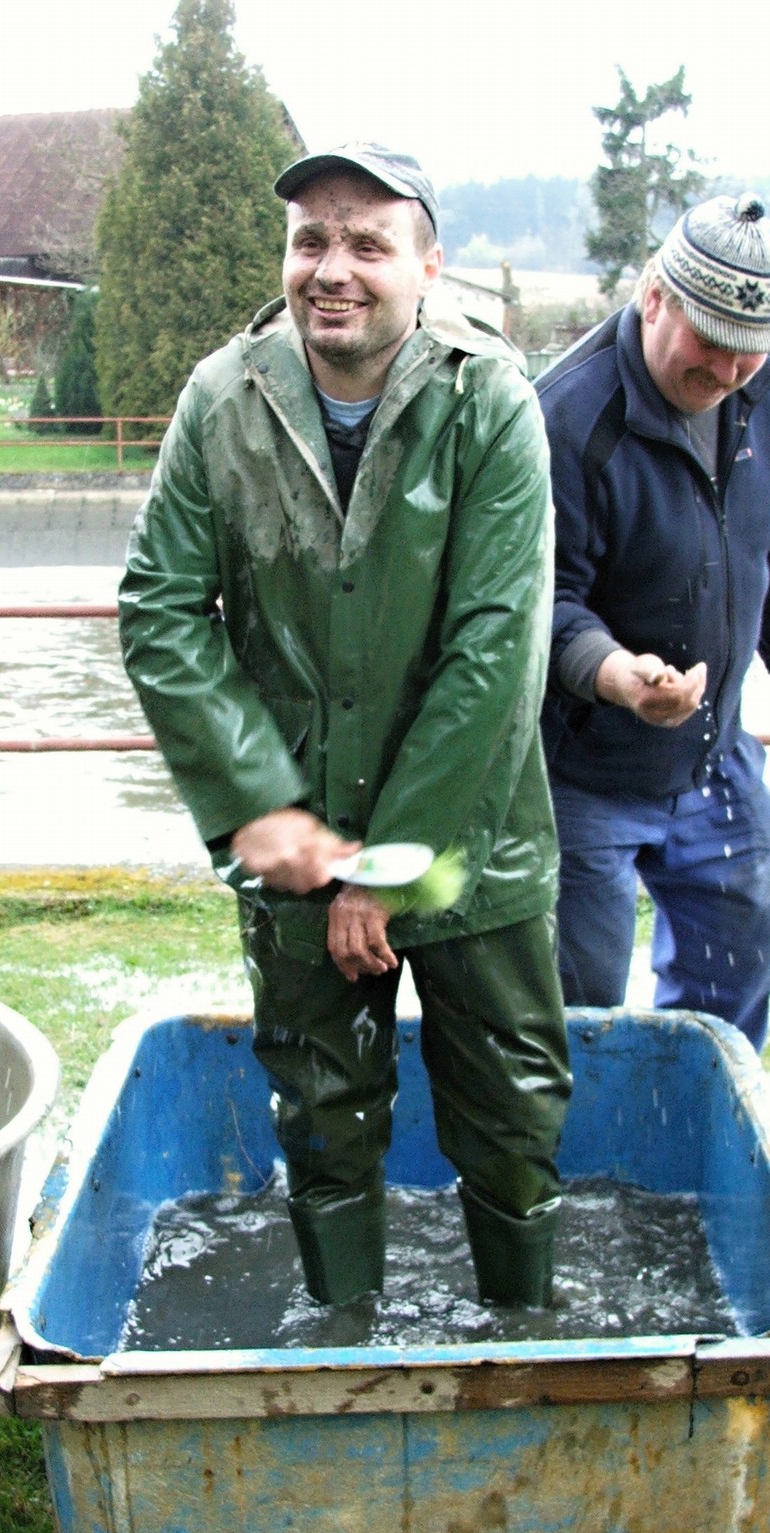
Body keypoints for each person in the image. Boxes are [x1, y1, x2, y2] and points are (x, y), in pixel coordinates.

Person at [119, 143, 570, 1309]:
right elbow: (160, 610)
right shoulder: (222, 401)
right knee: (320, 1109)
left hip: (471, 839)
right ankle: (344, 1342)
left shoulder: (490, 401)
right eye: (310, 240)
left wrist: (391, 867)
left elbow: (496, 650)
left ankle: (524, 1335)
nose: (333, 269)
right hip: (296, 835)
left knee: (512, 1108)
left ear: (428, 266)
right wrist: (258, 806)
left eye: (368, 244)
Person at [535, 193, 770, 1052]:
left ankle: (701, 1111)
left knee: (739, 971)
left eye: (754, 347)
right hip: (581, 769)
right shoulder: (564, 418)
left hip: (715, 751)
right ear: (654, 295)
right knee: (579, 1004)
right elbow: (539, 599)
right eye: (711, 340)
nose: (730, 370)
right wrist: (616, 675)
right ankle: (585, 1129)